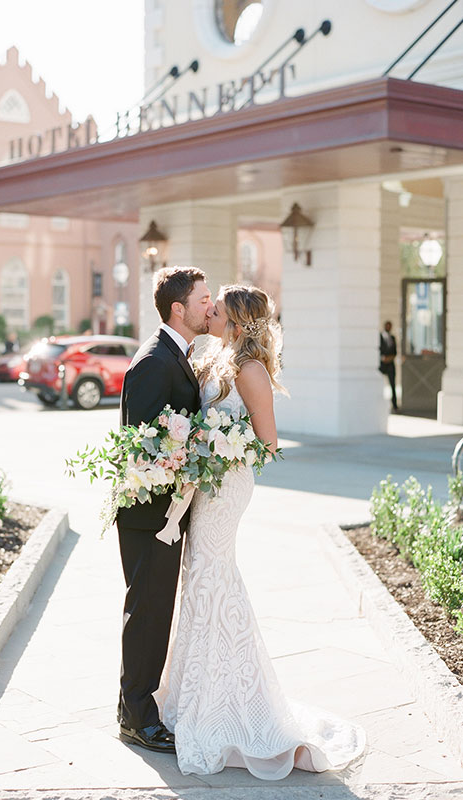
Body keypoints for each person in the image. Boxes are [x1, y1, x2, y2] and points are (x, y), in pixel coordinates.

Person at [155, 285, 366, 779]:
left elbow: (268, 443)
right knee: (200, 575)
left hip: (227, 485)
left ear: (237, 320)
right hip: (205, 481)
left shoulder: (249, 370)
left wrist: (220, 445)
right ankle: (197, 693)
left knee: (212, 573)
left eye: (218, 308)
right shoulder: (215, 358)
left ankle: (234, 704)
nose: (210, 311)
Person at [117, 265, 214, 753]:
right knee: (148, 613)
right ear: (179, 308)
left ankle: (131, 707)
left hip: (163, 513)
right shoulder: (155, 361)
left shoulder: (176, 356)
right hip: (151, 515)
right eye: (203, 300)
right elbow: (143, 447)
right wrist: (189, 452)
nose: (210, 307)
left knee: (153, 610)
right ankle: (137, 716)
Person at [379, 321, 398, 411]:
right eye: (387, 326)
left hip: (390, 365)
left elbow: (395, 352)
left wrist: (390, 358)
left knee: (393, 385)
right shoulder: (379, 337)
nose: (389, 328)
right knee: (379, 384)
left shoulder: (393, 338)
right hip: (382, 365)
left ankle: (394, 405)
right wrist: (383, 359)